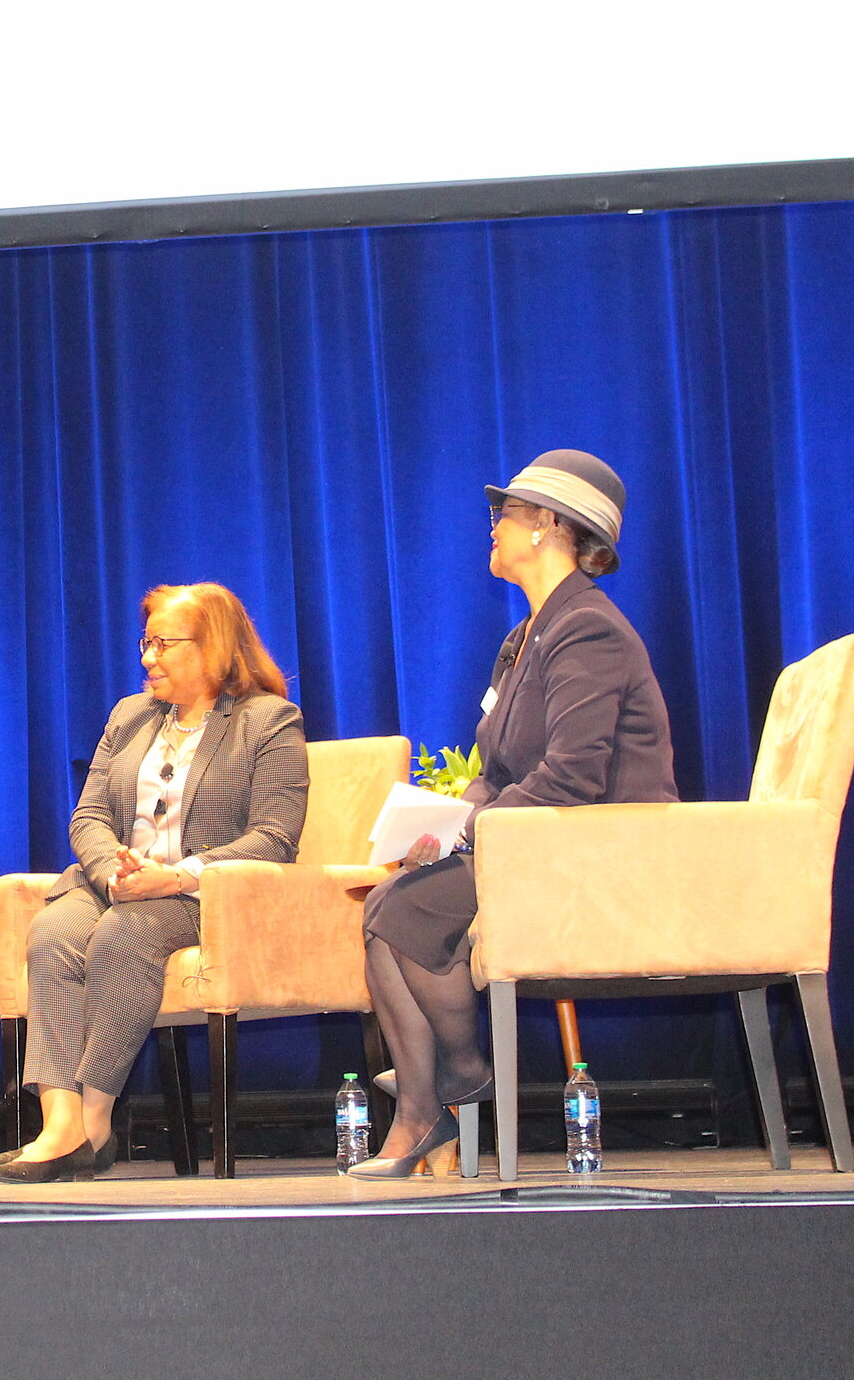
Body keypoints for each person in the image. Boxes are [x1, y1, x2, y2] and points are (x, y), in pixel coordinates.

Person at [351, 449, 677, 1178]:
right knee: (384, 907)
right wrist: (440, 822)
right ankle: (426, 1109)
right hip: (535, 840)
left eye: (506, 515)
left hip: (598, 851)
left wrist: (469, 833)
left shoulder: (588, 630)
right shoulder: (522, 640)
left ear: (550, 527)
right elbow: (495, 772)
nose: (492, 528)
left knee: (403, 915)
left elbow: (573, 776)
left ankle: (457, 1080)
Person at [0, 582, 308, 1184]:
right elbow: (87, 818)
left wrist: (175, 877)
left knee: (123, 935)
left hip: (199, 895)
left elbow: (274, 838)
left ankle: (94, 1120)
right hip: (117, 882)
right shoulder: (131, 715)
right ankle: (57, 1122)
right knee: (55, 931)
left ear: (213, 647)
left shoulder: (267, 720)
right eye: (147, 642)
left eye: (164, 644)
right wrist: (115, 872)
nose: (147, 658)